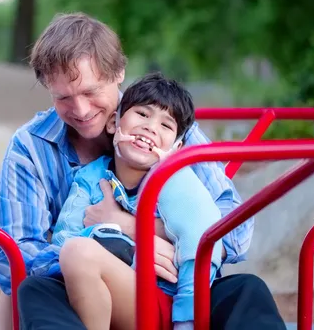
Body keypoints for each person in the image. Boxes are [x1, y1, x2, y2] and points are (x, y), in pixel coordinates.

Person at [0, 13, 286, 330]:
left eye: (91, 92)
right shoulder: (31, 147)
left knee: (246, 289)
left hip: (171, 286)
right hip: (90, 287)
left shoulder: (162, 123)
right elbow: (13, 259)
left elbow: (236, 230)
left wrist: (134, 228)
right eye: (63, 97)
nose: (81, 110)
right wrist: (116, 248)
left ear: (118, 73)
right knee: (34, 291)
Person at [50, 72, 224, 330]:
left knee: (80, 252)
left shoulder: (177, 183)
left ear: (176, 149)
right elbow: (64, 240)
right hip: (109, 296)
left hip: (166, 301)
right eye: (142, 114)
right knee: (63, 262)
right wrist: (130, 248)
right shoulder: (90, 178)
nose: (150, 127)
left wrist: (186, 322)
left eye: (166, 126)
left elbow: (200, 246)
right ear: (114, 124)